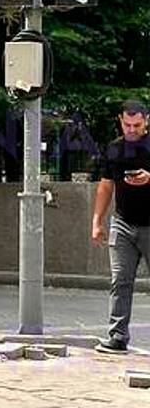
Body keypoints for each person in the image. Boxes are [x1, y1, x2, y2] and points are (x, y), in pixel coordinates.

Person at [92, 100, 150, 353]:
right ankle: (117, 336)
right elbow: (106, 185)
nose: (131, 129)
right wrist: (97, 221)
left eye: (137, 125)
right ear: (120, 120)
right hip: (123, 222)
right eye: (127, 124)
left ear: (146, 121)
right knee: (120, 281)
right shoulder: (114, 149)